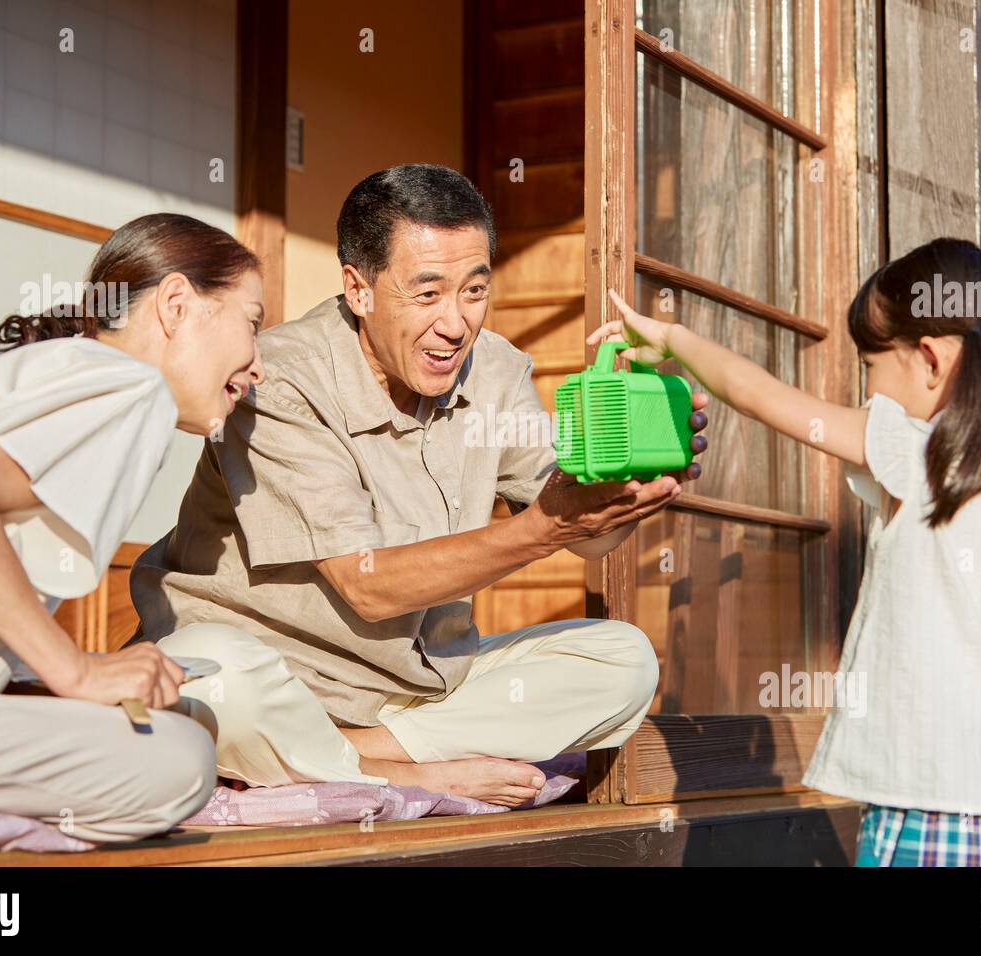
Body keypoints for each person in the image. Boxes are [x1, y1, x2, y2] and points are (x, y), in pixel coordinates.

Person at [131, 164, 709, 806]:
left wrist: (624, 485)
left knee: (621, 660)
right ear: (359, 289)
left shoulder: (495, 369)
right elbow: (369, 587)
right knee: (210, 680)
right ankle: (399, 770)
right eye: (427, 293)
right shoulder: (281, 380)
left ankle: (342, 750)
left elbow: (588, 540)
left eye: (474, 291)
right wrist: (542, 529)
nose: (457, 324)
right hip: (273, 677)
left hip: (414, 695)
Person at [590, 237, 981, 866]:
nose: (866, 386)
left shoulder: (916, 451)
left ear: (929, 359)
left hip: (935, 812)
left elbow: (763, 397)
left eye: (869, 363)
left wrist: (674, 340)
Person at [0, 213, 265, 842]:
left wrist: (60, 679)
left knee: (171, 713)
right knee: (180, 756)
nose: (257, 366)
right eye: (252, 321)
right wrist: (76, 672)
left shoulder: (54, 372)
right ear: (177, 304)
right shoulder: (131, 386)